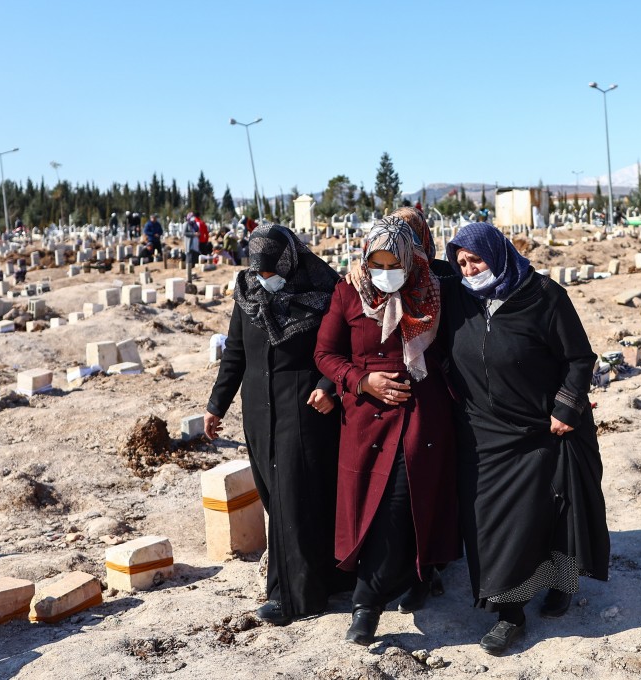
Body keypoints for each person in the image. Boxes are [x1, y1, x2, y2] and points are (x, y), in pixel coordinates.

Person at [442, 223, 609, 656]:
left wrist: (566, 408)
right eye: (460, 262)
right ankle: (509, 612)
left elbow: (579, 358)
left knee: (553, 513)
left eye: (475, 259)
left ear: (497, 253)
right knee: (490, 522)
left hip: (543, 427)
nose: (469, 269)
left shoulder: (544, 296)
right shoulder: (457, 299)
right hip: (483, 434)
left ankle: (558, 584)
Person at [314, 216, 460, 646]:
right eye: (376, 262)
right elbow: (325, 353)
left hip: (421, 414)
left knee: (406, 501)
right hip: (365, 419)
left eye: (393, 261)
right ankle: (391, 585)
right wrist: (360, 381)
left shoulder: (432, 287)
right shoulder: (349, 291)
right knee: (371, 507)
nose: (385, 271)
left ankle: (368, 603)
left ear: (410, 257)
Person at [204, 223, 349, 624]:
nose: (265, 279)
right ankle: (328, 579)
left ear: (288, 260)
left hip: (304, 411)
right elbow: (235, 351)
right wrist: (217, 404)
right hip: (259, 410)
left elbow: (341, 347)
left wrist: (328, 387)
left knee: (294, 500)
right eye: (259, 271)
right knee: (278, 499)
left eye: (271, 271)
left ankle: (294, 597)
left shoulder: (322, 290)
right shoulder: (247, 290)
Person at [182, 212, 200, 283]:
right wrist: (193, 234)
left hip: (195, 244)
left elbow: (197, 230)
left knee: (194, 259)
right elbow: (184, 233)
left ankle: (193, 274)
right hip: (189, 244)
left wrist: (198, 233)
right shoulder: (186, 224)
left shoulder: (195, 224)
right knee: (189, 259)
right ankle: (188, 275)